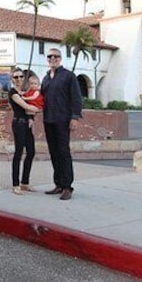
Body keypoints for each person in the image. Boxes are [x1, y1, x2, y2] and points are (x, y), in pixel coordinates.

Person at [41, 48, 83, 200]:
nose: (53, 58)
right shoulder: (46, 78)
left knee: (63, 152)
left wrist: (75, 117)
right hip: (48, 120)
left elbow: (76, 98)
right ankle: (58, 184)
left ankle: (67, 187)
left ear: (60, 58)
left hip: (63, 120)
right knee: (54, 152)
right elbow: (41, 98)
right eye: (50, 56)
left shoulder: (68, 76)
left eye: (56, 56)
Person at [8, 69, 42, 195]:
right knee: (18, 152)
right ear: (12, 79)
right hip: (18, 124)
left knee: (31, 152)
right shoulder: (13, 93)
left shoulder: (25, 92)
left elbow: (30, 110)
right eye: (16, 77)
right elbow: (26, 107)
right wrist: (39, 110)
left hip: (27, 124)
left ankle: (25, 182)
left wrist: (32, 116)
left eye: (21, 76)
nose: (19, 79)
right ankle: (15, 184)